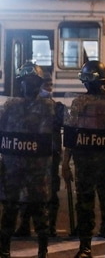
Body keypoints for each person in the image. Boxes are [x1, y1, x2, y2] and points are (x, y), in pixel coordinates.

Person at [62, 60, 105, 258]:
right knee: (85, 207)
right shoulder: (79, 103)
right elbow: (71, 136)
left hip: (104, 166)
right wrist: (66, 163)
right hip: (86, 166)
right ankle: (86, 247)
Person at [0, 62, 58, 258]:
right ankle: (4, 248)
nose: (29, 85)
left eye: (33, 82)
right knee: (9, 208)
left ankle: (43, 249)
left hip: (37, 169)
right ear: (20, 83)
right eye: (26, 81)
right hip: (12, 168)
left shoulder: (49, 107)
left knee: (39, 208)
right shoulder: (10, 106)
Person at [14, 71, 64, 238]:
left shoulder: (52, 106)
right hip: (27, 154)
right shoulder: (17, 106)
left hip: (46, 156)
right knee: (27, 192)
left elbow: (58, 128)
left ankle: (49, 227)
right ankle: (26, 225)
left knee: (48, 192)